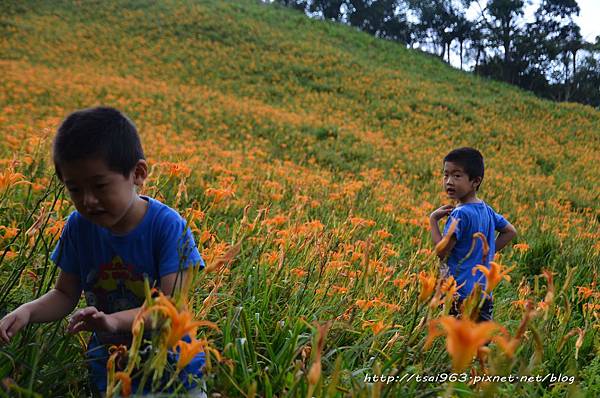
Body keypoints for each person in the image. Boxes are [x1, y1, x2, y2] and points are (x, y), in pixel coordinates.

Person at [0, 107, 206, 395]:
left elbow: (170, 308)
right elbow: (64, 294)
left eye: (100, 186)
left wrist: (111, 321)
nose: (88, 201)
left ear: (138, 173)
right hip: (111, 369)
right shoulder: (79, 226)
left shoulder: (169, 226)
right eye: (74, 189)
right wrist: (27, 311)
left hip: (173, 371)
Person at [429, 147, 517, 322]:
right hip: (484, 294)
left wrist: (433, 220)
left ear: (475, 181)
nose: (449, 181)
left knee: (458, 344)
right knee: (478, 345)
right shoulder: (487, 210)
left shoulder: (460, 214)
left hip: (459, 294)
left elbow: (442, 252)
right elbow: (510, 231)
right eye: (446, 175)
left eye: (457, 175)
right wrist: (487, 252)